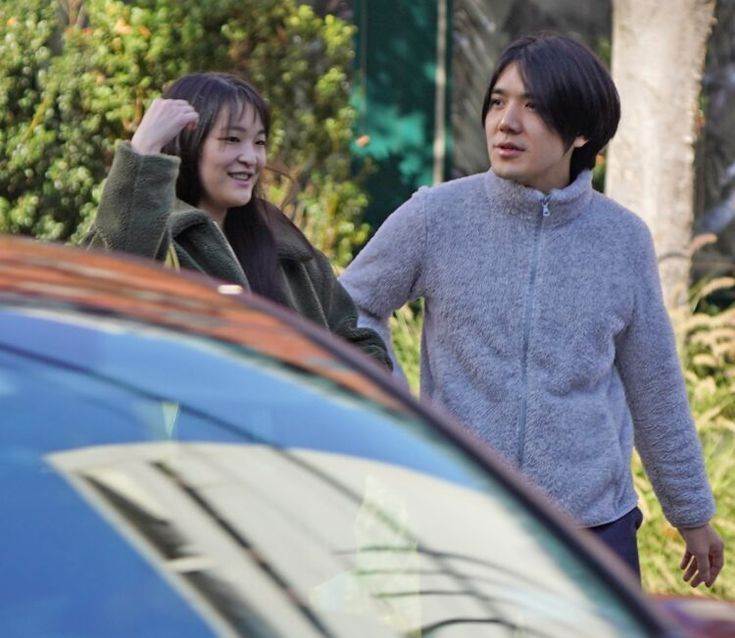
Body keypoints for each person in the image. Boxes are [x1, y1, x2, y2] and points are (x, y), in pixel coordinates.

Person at [340, 34, 724, 585]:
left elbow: (654, 384)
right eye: (498, 101)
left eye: (533, 106)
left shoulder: (622, 240)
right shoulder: (435, 217)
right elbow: (350, 306)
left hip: (594, 528)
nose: (506, 123)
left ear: (582, 130)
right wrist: (398, 403)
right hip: (462, 521)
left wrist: (690, 513)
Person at [88, 72, 390, 368]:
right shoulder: (152, 237)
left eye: (259, 142)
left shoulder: (283, 241)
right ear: (188, 145)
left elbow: (356, 344)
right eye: (232, 139)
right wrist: (143, 152)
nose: (250, 157)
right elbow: (107, 300)